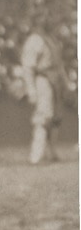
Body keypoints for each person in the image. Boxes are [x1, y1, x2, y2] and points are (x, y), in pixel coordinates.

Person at [21, 10, 68, 165]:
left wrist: (66, 83)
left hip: (55, 82)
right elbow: (28, 67)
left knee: (55, 117)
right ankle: (36, 155)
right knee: (43, 116)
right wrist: (31, 90)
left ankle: (51, 152)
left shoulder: (52, 39)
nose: (47, 21)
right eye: (43, 18)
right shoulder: (34, 40)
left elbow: (59, 65)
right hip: (43, 81)